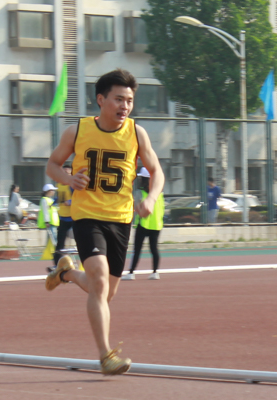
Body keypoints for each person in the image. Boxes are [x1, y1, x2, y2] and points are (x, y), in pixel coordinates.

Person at [44, 69, 164, 375]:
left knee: (105, 293)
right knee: (98, 280)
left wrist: (151, 198)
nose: (125, 106)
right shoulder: (77, 131)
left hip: (121, 220)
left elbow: (156, 171)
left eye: (130, 100)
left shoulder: (137, 133)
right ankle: (106, 356)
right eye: (118, 99)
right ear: (101, 99)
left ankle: (66, 273)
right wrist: (69, 179)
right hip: (87, 216)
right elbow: (52, 165)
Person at [122, 167, 165, 281]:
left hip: (143, 225)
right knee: (154, 249)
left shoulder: (139, 193)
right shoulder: (159, 194)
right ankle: (155, 272)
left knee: (137, 250)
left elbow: (138, 209)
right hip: (156, 225)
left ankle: (131, 273)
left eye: (142, 178)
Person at [54, 165, 74, 266]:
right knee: (60, 243)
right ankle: (57, 264)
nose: (65, 175)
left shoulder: (72, 185)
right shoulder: (58, 184)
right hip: (63, 218)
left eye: (68, 173)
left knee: (81, 241)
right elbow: (58, 197)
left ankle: (85, 263)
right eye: (64, 173)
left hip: (73, 218)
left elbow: (79, 198)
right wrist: (53, 202)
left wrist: (70, 202)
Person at [38, 183, 59, 266]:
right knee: (53, 238)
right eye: (52, 190)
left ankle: (49, 252)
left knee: (51, 238)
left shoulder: (51, 200)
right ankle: (54, 253)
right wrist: (47, 221)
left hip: (53, 222)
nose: (54, 192)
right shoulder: (44, 200)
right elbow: (45, 211)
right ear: (48, 191)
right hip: (50, 222)